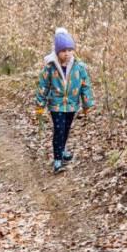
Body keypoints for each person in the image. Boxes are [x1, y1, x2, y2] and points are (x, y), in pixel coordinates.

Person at [35, 31, 95, 174]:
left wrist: (87, 104)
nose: (67, 54)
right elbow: (43, 85)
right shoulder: (50, 67)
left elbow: (85, 85)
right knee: (59, 129)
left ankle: (62, 150)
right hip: (56, 104)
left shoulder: (78, 67)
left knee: (66, 129)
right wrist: (40, 105)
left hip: (72, 104)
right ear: (57, 51)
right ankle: (57, 159)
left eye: (69, 50)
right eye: (63, 51)